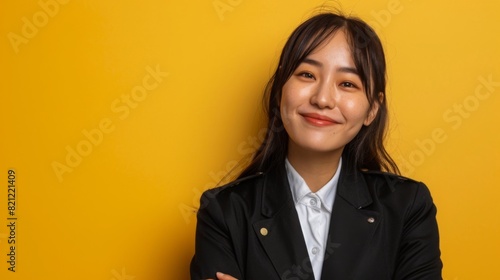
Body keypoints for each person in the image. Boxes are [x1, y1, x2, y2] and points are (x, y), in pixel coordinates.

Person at [190, 11, 442, 280]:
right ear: (279, 92)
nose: (323, 99)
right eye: (307, 74)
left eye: (347, 83)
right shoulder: (224, 211)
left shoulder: (407, 206)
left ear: (372, 110)